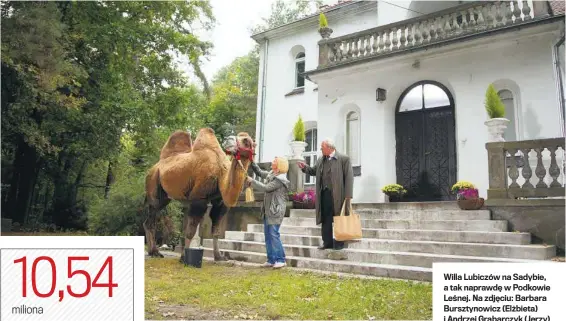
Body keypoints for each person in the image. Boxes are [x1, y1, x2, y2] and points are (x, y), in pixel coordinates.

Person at [298, 138, 354, 251]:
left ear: (329, 148)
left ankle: (339, 243)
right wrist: (305, 168)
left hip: (339, 195)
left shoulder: (343, 159)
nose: (320, 149)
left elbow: (349, 177)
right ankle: (327, 242)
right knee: (326, 218)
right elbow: (314, 171)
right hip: (324, 194)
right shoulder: (320, 160)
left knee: (339, 218)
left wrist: (348, 195)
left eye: (322, 148)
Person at [247, 157, 291, 268]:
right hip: (268, 210)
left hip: (275, 210)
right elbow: (260, 172)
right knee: (268, 235)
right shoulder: (272, 174)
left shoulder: (280, 180)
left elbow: (266, 188)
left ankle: (281, 259)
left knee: (273, 234)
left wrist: (252, 181)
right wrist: (251, 161)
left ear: (279, 165)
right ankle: (271, 259)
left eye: (275, 161)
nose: (272, 162)